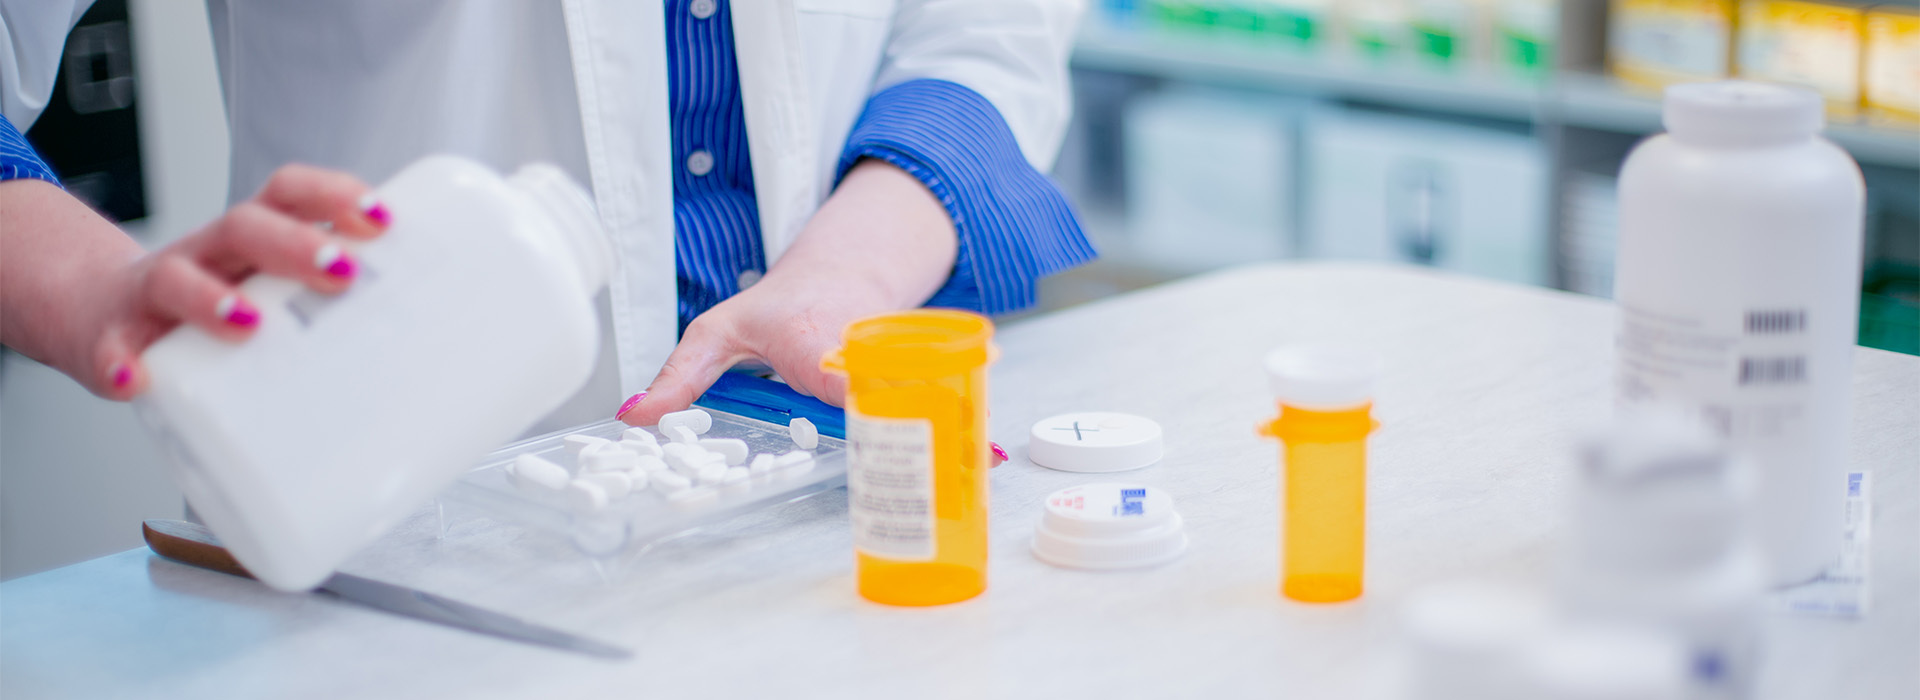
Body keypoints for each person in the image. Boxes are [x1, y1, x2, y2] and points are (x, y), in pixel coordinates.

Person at [1, 0, 1093, 434]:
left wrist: (850, 274)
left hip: (828, 490)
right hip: (398, 516)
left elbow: (987, 26)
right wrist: (90, 286)